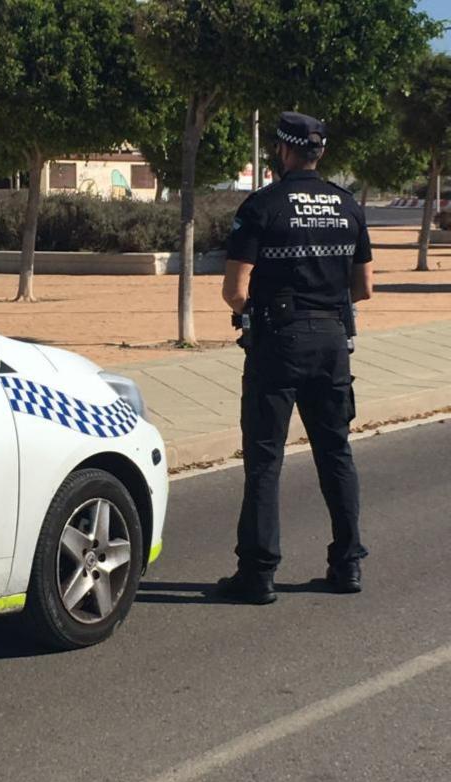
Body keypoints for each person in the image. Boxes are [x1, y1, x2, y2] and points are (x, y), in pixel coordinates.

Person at [218, 111, 374, 605]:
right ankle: (346, 564)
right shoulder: (347, 206)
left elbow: (234, 290)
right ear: (319, 152)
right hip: (332, 340)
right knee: (336, 454)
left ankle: (258, 573)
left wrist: (259, 314)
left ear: (282, 152)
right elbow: (364, 288)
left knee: (265, 460)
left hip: (279, 343)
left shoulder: (263, 206)